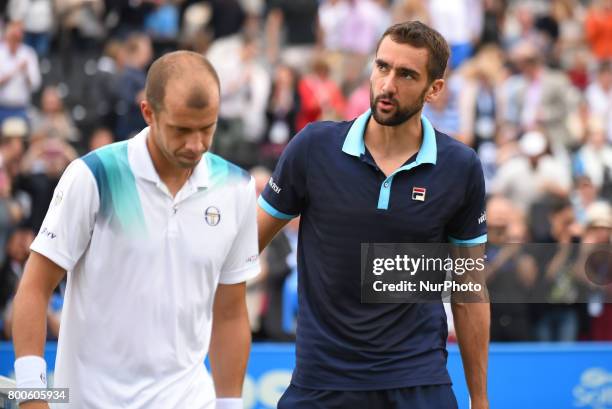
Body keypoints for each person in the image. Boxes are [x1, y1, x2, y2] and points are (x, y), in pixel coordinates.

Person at [258, 21, 489, 409]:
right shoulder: (313, 147)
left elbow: (469, 293)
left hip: (418, 380)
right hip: (322, 382)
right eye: (382, 67)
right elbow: (244, 246)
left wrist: (480, 401)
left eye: (406, 74)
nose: (387, 84)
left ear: (435, 89)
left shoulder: (460, 167)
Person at [11, 51, 260, 409]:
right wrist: (30, 398)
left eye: (207, 128)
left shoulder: (236, 188)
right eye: (181, 129)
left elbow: (231, 312)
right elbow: (33, 289)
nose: (196, 145)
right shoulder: (94, 176)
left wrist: (230, 405)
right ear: (148, 112)